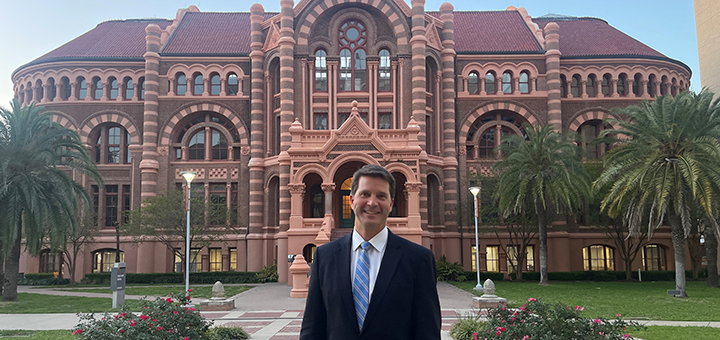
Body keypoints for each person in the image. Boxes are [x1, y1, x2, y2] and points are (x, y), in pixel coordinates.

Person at [300, 164, 441, 340]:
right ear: (351, 200)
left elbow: (427, 332)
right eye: (365, 194)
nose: (372, 203)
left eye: (381, 196)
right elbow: (312, 327)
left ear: (390, 204)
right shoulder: (325, 256)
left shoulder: (418, 259)